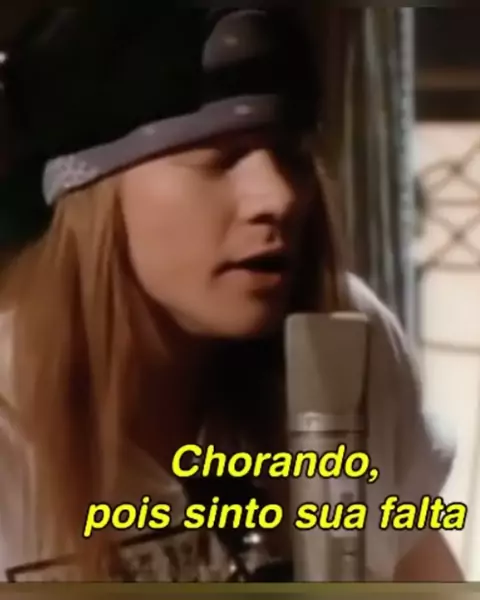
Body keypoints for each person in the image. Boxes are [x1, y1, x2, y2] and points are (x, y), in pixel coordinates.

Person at [0, 0, 462, 583]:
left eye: (290, 154)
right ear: (86, 192)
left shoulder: (345, 340)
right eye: (218, 159)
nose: (280, 196)